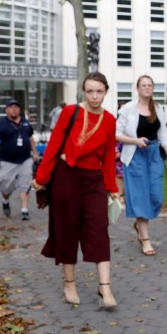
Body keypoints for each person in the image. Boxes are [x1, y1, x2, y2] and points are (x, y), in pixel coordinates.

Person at [32, 72, 120, 310]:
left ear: (106, 91)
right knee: (67, 229)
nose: (94, 96)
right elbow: (52, 147)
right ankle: (69, 283)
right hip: (66, 176)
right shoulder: (70, 113)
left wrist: (112, 188)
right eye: (90, 91)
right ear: (83, 90)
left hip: (94, 180)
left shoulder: (110, 120)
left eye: (99, 91)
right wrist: (41, 178)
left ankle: (105, 287)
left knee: (99, 229)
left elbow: (109, 155)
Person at [116, 75, 167, 256]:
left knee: (156, 196)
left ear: (152, 88)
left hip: (153, 154)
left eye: (150, 85)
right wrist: (135, 141)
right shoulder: (128, 108)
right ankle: (145, 238)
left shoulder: (157, 108)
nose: (147, 88)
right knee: (140, 197)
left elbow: (164, 135)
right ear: (138, 88)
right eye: (143, 85)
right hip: (135, 156)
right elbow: (115, 133)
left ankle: (139, 225)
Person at [0, 99, 39, 220]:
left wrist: (35, 153)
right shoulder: (2, 123)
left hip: (25, 160)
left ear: (19, 109)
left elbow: (30, 137)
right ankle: (5, 200)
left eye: (16, 107)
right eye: (11, 107)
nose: (14, 109)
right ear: (6, 110)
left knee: (26, 185)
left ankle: (24, 210)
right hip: (8, 161)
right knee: (5, 186)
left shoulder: (25, 122)